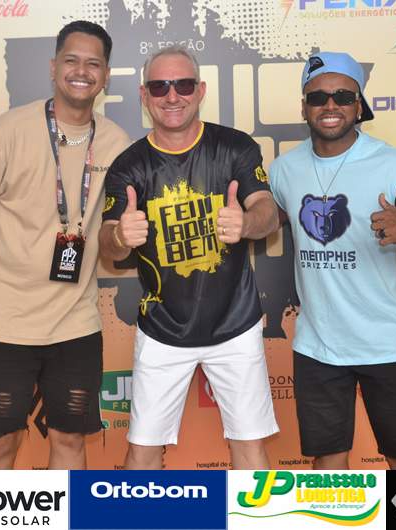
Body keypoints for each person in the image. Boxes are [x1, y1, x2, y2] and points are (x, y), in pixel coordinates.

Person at [0, 20, 130, 470]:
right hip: (3, 327)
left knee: (70, 441)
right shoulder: (8, 132)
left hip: (76, 325)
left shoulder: (116, 143)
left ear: (106, 75)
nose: (81, 71)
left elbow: (115, 238)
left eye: (93, 64)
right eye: (71, 60)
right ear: (53, 67)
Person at [269, 52, 396, 470]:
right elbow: (263, 222)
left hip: (385, 343)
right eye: (318, 97)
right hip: (317, 345)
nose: (330, 105)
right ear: (303, 107)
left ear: (359, 105)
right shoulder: (283, 169)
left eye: (343, 96)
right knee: (327, 463)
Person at [99, 45, 280, 470]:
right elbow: (107, 242)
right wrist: (120, 236)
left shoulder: (234, 146)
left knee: (250, 446)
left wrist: (247, 223)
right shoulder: (128, 165)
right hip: (163, 327)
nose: (172, 96)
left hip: (235, 324)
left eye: (182, 85)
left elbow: (268, 211)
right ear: (143, 96)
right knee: (142, 450)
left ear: (200, 90)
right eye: (159, 86)